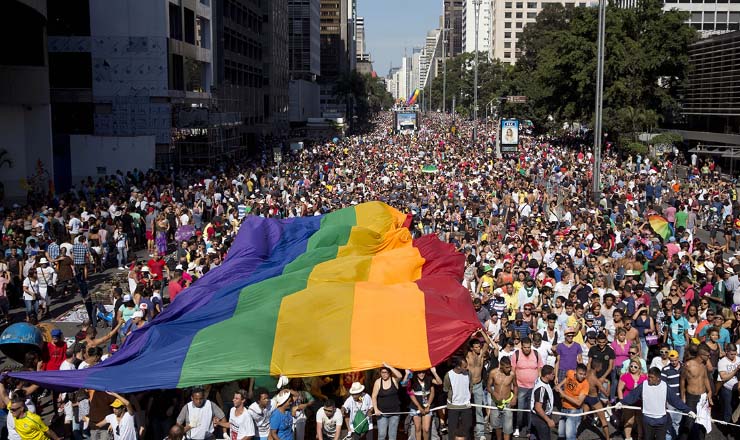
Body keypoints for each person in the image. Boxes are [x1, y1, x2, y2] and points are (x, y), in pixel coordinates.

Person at [619, 367, 694, 440]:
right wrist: (621, 402)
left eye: (652, 377)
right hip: (647, 420)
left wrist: (688, 410)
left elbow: (675, 400)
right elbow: (632, 395)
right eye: (648, 377)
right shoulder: (644, 385)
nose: (649, 379)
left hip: (661, 421)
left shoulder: (665, 386)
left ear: (658, 378)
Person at [679, 344, 714, 440]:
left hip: (702, 397)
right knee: (688, 423)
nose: (709, 357)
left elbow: (705, 378)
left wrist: (709, 391)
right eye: (707, 355)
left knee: (702, 423)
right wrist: (683, 397)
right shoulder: (688, 365)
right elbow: (682, 381)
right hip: (691, 397)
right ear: (701, 355)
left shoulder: (703, 365)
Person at [509, 337, 542, 438]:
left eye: (528, 347)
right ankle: (517, 427)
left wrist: (540, 384)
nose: (527, 349)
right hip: (520, 387)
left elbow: (540, 368)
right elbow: (512, 370)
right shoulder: (516, 354)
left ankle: (529, 429)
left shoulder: (536, 354)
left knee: (531, 410)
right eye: (525, 347)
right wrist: (512, 385)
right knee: (520, 410)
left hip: (533, 387)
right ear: (521, 346)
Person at [487, 356, 516, 440]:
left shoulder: (512, 374)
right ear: (501, 366)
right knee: (496, 424)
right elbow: (488, 387)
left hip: (507, 402)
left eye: (510, 367)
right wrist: (494, 393)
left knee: (508, 426)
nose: (509, 369)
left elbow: (516, 386)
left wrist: (515, 397)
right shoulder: (493, 373)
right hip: (496, 402)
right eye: (507, 367)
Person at [407, 368, 442, 440]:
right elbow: (411, 394)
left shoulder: (429, 378)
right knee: (417, 428)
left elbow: (439, 383)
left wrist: (434, 372)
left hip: (427, 407)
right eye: (419, 372)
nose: (421, 374)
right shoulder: (412, 380)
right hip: (416, 407)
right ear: (416, 373)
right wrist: (419, 407)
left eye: (423, 372)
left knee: (426, 429)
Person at [556, 363, 588, 440]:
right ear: (575, 372)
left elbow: (579, 402)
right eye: (580, 374)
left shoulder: (585, 384)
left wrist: (563, 395)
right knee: (561, 434)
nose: (582, 376)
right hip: (564, 408)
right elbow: (566, 378)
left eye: (584, 374)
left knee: (570, 436)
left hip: (574, 411)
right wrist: (559, 385)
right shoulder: (570, 372)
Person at [371, 363, 402, 440]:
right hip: (382, 413)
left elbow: (400, 376)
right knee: (381, 435)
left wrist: (389, 366)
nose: (384, 374)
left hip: (395, 413)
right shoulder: (378, 382)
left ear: (389, 372)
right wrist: (376, 409)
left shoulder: (394, 380)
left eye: (386, 372)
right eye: (382, 372)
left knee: (392, 436)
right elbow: (374, 396)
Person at [443, 357, 471, 440]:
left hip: (466, 405)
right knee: (452, 429)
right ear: (458, 367)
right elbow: (446, 389)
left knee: (468, 428)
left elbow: (470, 386)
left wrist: (468, 396)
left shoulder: (468, 373)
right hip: (453, 406)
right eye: (465, 366)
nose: (467, 368)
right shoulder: (448, 375)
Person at [529, 365, 556, 440]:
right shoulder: (542, 389)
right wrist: (549, 420)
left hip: (537, 417)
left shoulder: (539, 380)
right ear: (547, 375)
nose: (554, 375)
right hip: (540, 419)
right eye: (553, 374)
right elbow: (538, 408)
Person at [716, 343, 740, 423]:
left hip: (737, 389)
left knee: (736, 407)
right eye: (731, 354)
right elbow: (723, 377)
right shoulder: (722, 362)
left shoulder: (739, 359)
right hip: (727, 389)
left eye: (735, 354)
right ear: (726, 352)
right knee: (728, 409)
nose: (733, 356)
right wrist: (735, 370)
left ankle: (734, 424)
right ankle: (727, 427)